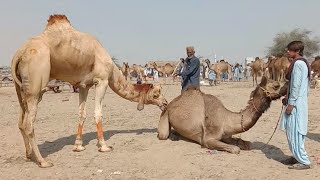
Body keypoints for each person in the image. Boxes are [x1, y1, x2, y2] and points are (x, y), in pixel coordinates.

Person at [280, 41, 312, 170]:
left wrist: (291, 103)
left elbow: (296, 86)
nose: (288, 52)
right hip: (299, 101)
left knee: (295, 131)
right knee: (292, 131)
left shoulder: (298, 64)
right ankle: (296, 156)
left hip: (296, 104)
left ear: (297, 51)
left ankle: (303, 161)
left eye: (290, 50)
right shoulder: (302, 63)